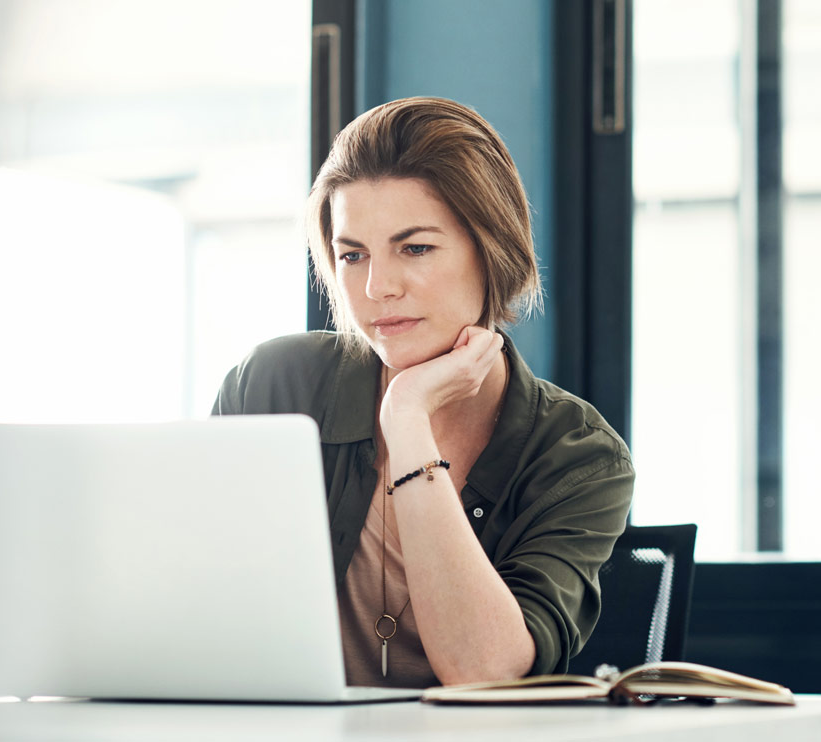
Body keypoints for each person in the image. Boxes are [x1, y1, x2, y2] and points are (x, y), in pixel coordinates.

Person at [212, 97, 634, 689]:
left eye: (414, 248)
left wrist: (408, 420)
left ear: (492, 253)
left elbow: (482, 671)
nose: (377, 287)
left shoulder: (578, 455)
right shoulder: (275, 385)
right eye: (352, 255)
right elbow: (192, 604)